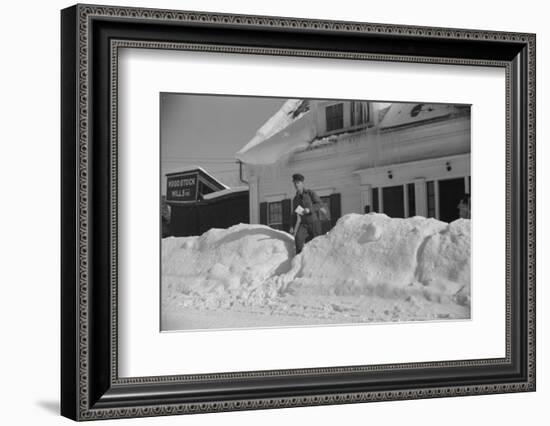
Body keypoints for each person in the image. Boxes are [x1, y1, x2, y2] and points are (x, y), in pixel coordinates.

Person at [289, 173, 322, 254]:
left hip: (314, 223)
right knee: (298, 238)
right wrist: (292, 226)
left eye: (298, 183)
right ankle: (299, 260)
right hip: (303, 224)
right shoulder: (295, 199)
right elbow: (294, 214)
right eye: (294, 183)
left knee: (317, 244)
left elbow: (320, 204)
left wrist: (309, 209)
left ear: (302, 183)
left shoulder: (310, 193)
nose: (296, 185)